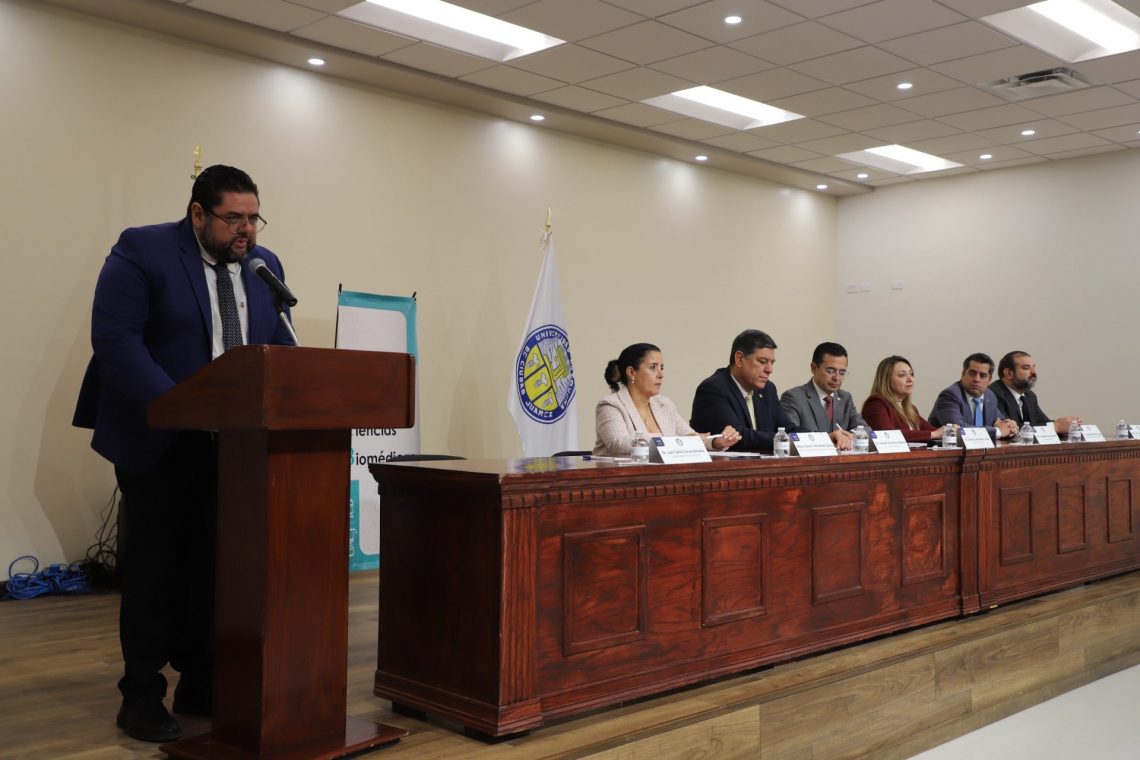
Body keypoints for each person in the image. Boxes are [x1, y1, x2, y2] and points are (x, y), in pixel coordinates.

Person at [72, 165, 296, 743]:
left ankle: (202, 682)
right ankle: (141, 695)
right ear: (198, 213)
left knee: (216, 568)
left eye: (254, 217)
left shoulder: (263, 266)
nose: (246, 230)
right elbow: (116, 339)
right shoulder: (142, 250)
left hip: (235, 444)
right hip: (162, 435)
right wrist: (178, 407)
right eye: (233, 218)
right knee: (155, 567)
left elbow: (276, 345)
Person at [594, 343, 740, 456]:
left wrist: (716, 441)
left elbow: (690, 437)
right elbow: (618, 443)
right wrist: (674, 441)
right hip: (621, 480)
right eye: (653, 367)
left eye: (662, 368)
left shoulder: (664, 404)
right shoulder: (611, 405)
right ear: (631, 372)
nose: (660, 374)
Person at [690, 329, 797, 452]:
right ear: (739, 359)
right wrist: (785, 440)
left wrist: (813, 438)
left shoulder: (768, 389)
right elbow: (739, 437)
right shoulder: (713, 389)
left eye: (772, 363)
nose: (770, 369)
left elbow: (787, 428)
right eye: (762, 362)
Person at [780, 341, 868, 450]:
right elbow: (789, 437)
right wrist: (828, 438)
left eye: (842, 373)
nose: (837, 378)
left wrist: (851, 436)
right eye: (830, 371)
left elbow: (865, 430)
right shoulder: (793, 397)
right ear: (813, 368)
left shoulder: (845, 397)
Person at [929, 353, 1019, 440]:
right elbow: (958, 430)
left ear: (989, 380)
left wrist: (1010, 427)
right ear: (963, 374)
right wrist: (997, 432)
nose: (976, 379)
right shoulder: (950, 395)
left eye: (982, 375)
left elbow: (1000, 422)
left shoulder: (990, 396)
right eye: (972, 373)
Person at [861, 356, 946, 443]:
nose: (910, 379)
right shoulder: (875, 404)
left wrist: (948, 431)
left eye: (911, 374)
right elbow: (888, 435)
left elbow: (934, 431)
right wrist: (933, 434)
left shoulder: (911, 409)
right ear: (886, 380)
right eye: (902, 375)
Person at [992, 351, 1081, 434]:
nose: (1033, 372)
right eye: (1026, 368)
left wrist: (1066, 425)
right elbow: (1009, 428)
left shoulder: (1030, 396)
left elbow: (1043, 422)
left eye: (1033, 367)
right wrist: (1055, 427)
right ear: (1008, 373)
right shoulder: (993, 394)